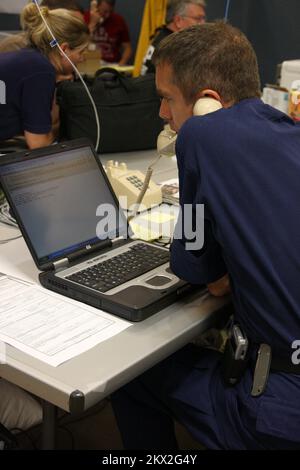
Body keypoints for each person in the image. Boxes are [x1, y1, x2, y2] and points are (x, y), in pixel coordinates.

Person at [111, 22, 300, 449]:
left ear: (207, 105)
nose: (162, 114)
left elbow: (198, 271)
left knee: (131, 375)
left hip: (277, 410)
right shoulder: (289, 134)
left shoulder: (202, 134)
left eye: (166, 99)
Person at [0, 3, 89, 149]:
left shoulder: (28, 60)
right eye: (81, 52)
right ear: (64, 49)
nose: (82, 59)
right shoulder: (40, 70)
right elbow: (38, 143)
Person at [141, 0, 206, 75]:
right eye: (198, 18)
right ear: (178, 21)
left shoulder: (163, 37)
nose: (203, 23)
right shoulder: (174, 47)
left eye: (203, 18)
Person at [86, 0, 132, 65]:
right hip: (90, 63)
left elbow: (128, 49)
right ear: (97, 7)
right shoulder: (86, 18)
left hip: (112, 64)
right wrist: (92, 24)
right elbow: (80, 44)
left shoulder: (118, 20)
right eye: (104, 12)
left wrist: (121, 64)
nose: (107, 15)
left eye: (110, 12)